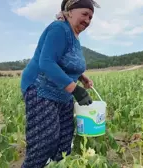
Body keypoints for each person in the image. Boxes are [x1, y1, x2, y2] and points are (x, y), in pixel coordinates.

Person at [20, 0, 100, 167]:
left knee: (64, 140)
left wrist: (80, 76)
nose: (87, 20)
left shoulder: (73, 35)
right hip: (41, 89)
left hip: (62, 93)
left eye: (91, 17)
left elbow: (64, 62)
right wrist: (76, 90)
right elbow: (47, 62)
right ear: (70, 11)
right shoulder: (59, 29)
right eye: (84, 14)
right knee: (45, 140)